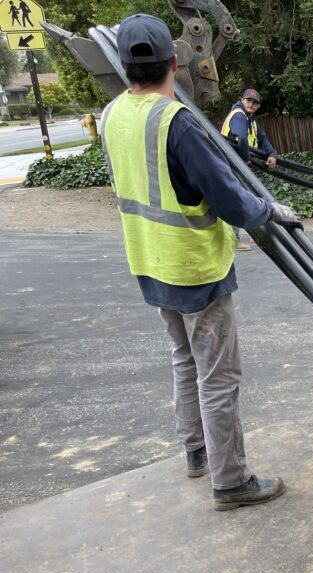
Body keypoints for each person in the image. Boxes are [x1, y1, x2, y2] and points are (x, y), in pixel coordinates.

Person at [100, 14, 301, 510]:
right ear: (175, 61)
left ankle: (196, 452)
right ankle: (231, 481)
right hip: (195, 268)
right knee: (219, 377)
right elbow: (228, 199)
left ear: (125, 67)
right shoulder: (176, 122)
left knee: (184, 360)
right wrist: (268, 210)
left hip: (150, 262)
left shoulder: (111, 115)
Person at [221, 88, 278, 251]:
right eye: (249, 101)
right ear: (242, 100)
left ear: (258, 106)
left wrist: (272, 154)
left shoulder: (250, 119)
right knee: (236, 199)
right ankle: (234, 240)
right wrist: (245, 159)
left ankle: (231, 238)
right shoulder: (239, 115)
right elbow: (242, 139)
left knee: (237, 198)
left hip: (235, 164)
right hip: (231, 164)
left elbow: (262, 138)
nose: (251, 104)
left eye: (255, 102)